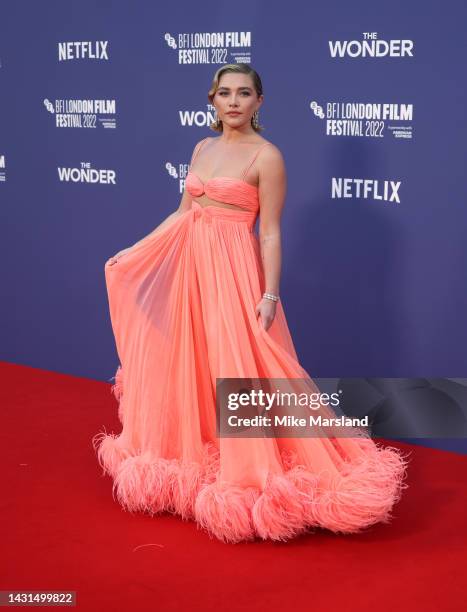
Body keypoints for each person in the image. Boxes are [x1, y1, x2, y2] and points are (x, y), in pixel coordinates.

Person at [92, 63, 409, 543]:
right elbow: (183, 214)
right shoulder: (201, 147)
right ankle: (192, 459)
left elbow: (271, 233)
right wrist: (134, 251)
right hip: (191, 267)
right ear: (212, 100)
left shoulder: (268, 156)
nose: (234, 101)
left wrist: (269, 293)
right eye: (225, 93)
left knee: (241, 365)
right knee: (192, 360)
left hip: (233, 271)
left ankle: (256, 474)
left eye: (244, 93)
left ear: (260, 102)